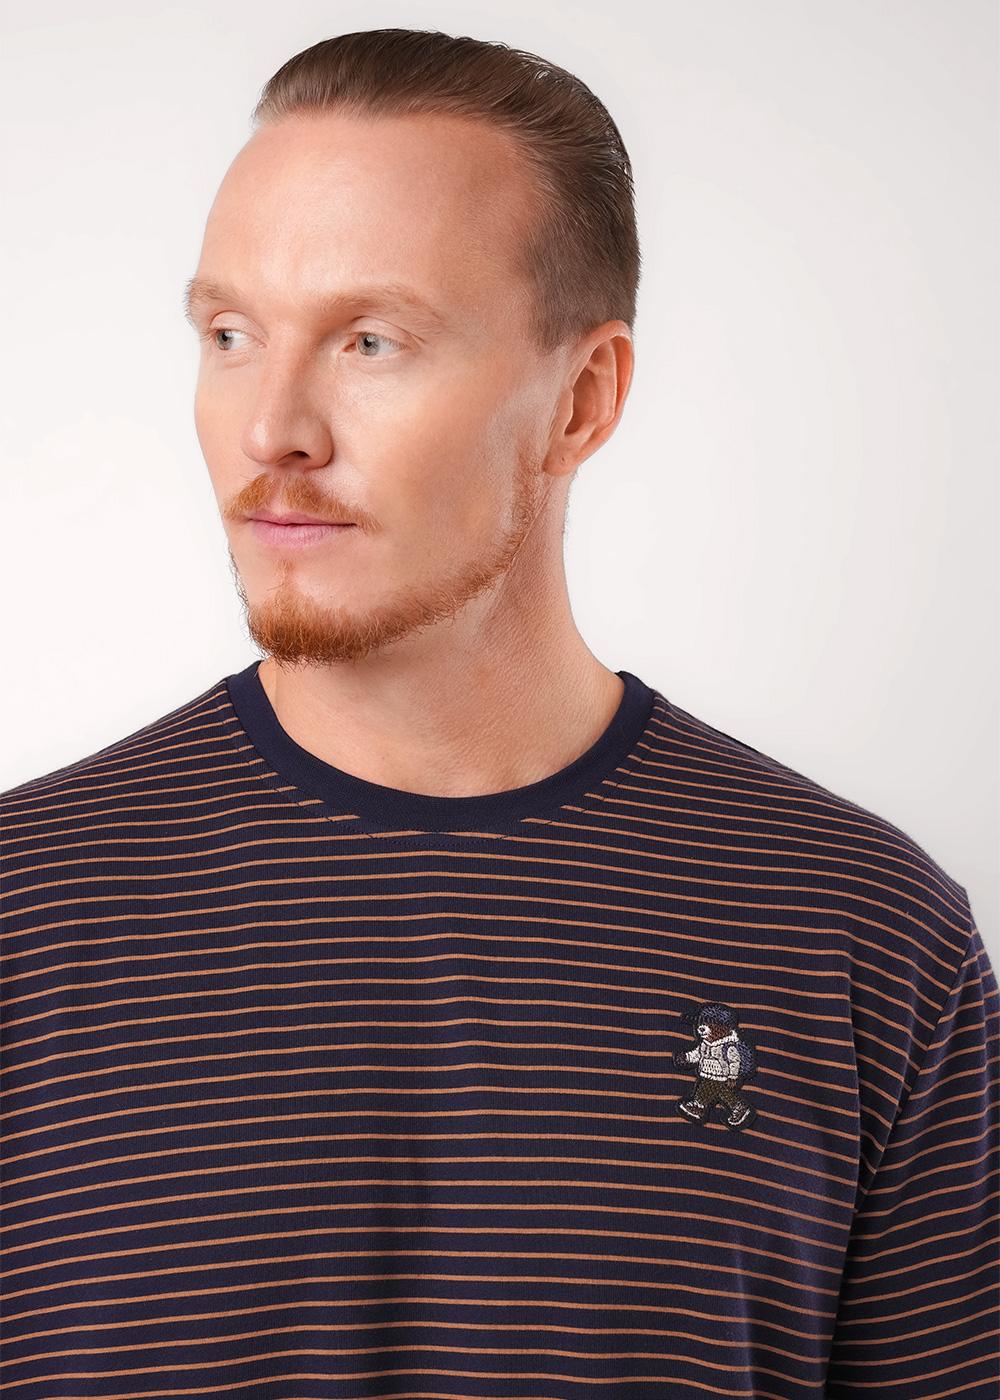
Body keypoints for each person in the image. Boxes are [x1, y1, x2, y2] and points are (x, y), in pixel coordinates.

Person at [1, 27, 996, 1399]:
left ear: (582, 400)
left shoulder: (856, 932)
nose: (272, 430)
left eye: (370, 341)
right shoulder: (23, 911)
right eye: (230, 335)